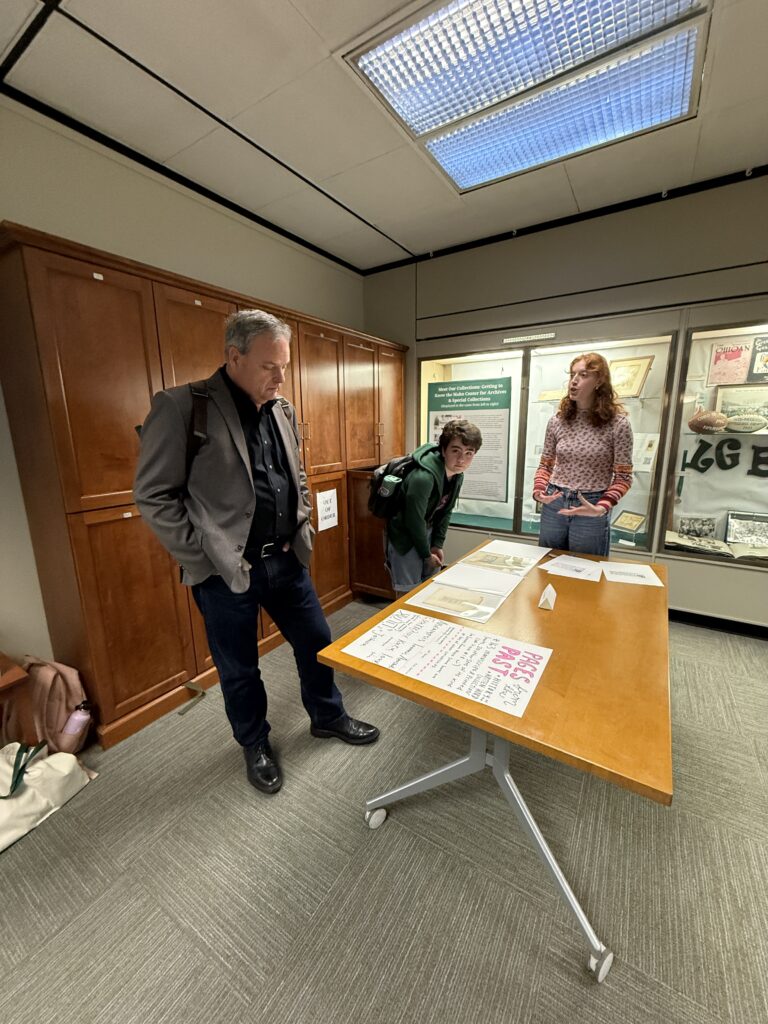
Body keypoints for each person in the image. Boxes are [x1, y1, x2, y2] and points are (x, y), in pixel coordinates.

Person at [134, 310, 378, 795]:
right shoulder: (183, 407)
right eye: (271, 366)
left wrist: (302, 515)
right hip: (225, 572)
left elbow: (297, 474)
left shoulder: (281, 409)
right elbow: (153, 494)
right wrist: (200, 560)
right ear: (234, 356)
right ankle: (255, 743)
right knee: (240, 668)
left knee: (318, 643)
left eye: (284, 365)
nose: (281, 377)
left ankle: (327, 716)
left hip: (286, 560)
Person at [532, 352, 633, 556]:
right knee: (547, 563)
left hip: (591, 503)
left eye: (584, 375)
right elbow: (546, 465)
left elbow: (623, 477)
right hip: (555, 500)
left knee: (586, 570)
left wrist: (602, 507)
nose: (574, 381)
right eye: (572, 375)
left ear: (599, 381)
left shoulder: (618, 424)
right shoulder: (557, 421)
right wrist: (539, 491)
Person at [385, 419, 483, 595]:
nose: (462, 459)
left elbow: (446, 512)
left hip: (425, 532)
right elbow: (413, 521)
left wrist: (437, 544)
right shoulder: (423, 478)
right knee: (408, 594)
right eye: (456, 450)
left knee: (429, 589)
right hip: (404, 537)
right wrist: (425, 554)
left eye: (469, 453)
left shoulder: (457, 475)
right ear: (443, 450)